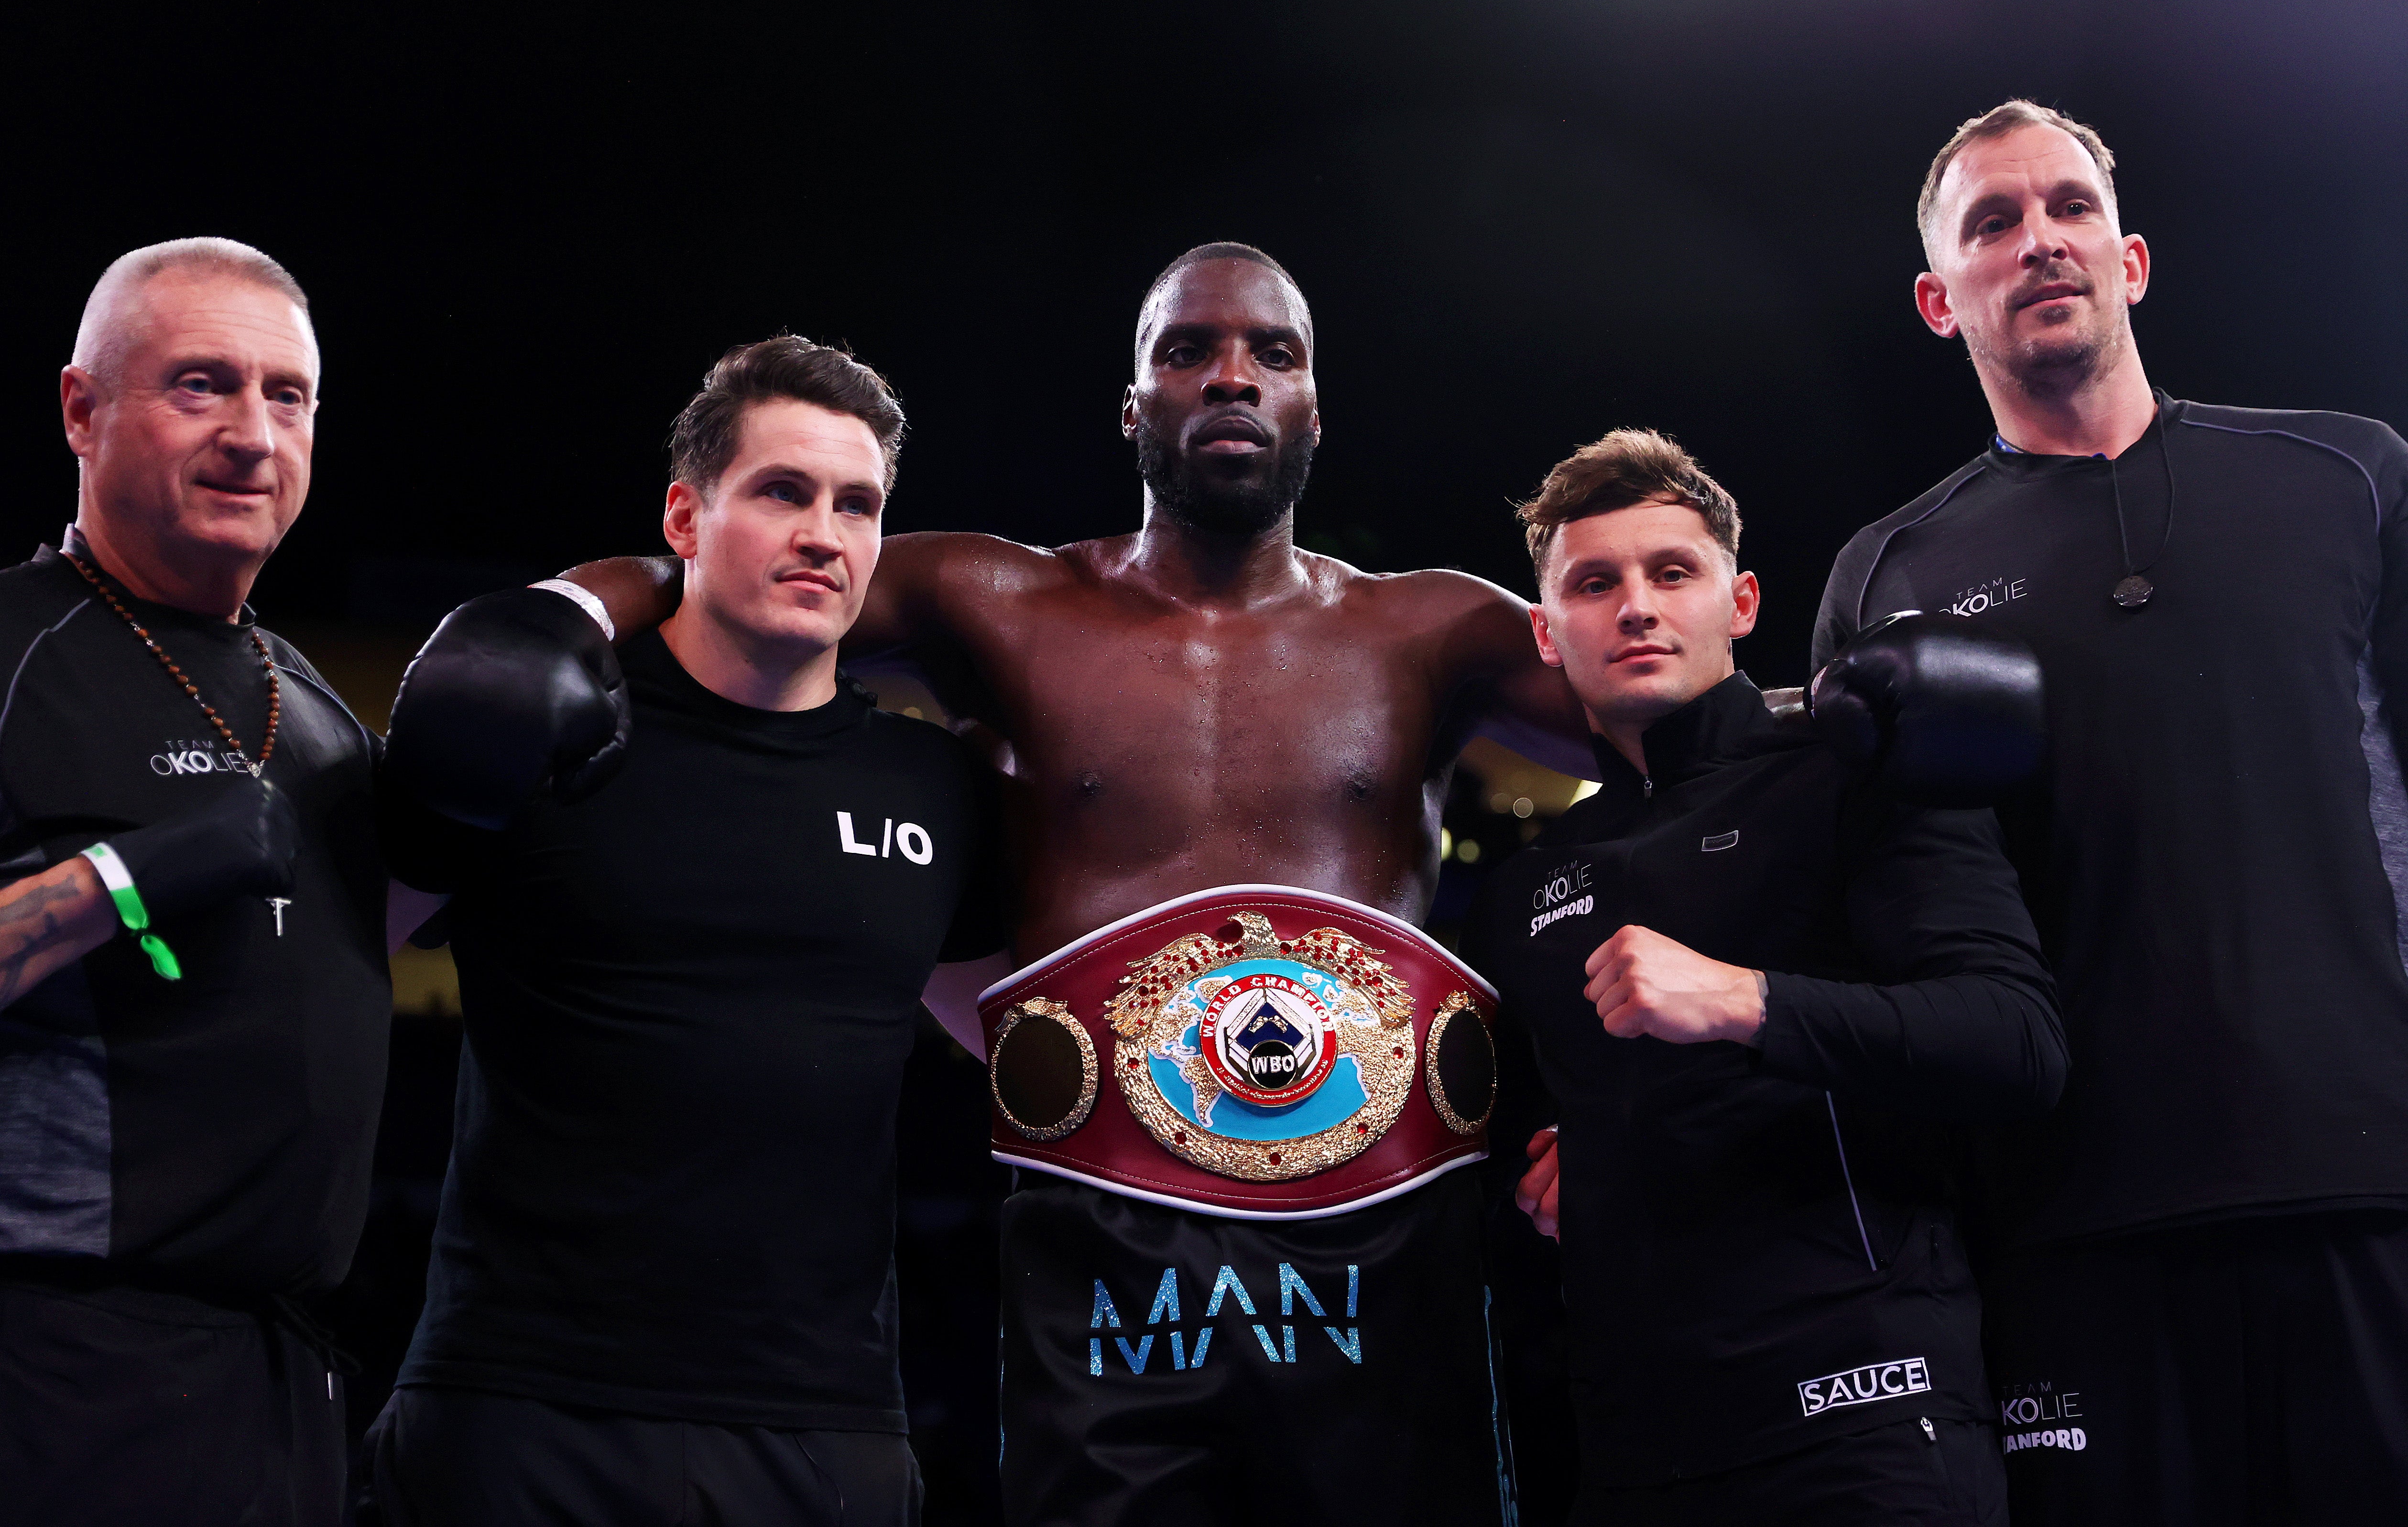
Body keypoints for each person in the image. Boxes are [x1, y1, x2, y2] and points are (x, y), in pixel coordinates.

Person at [408, 243, 1603, 1527]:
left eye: (1272, 353)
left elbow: (1680, 727)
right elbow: (744, 564)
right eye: (1185, 350)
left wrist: (1844, 685)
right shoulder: (1003, 599)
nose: (1230, 379)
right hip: (1101, 1226)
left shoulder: (1434, 626)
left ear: (1314, 404)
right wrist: (556, 616)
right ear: (1132, 405)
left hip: (1374, 1225)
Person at [1809, 99, 2408, 1522]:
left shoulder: (2346, 480)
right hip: (2067, 1223)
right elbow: (1867, 917)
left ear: (2129, 259)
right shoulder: (1885, 576)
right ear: (1934, 299)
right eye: (1992, 224)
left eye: (2068, 209)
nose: (2039, 244)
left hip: (2364, 1182)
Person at [366, 336, 1009, 1526]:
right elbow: (333, 966)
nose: (824, 531)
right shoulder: (543, 735)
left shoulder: (931, 786)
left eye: (856, 504)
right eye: (782, 490)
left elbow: (1029, 1060)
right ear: (685, 514)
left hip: (821, 1425)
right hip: (520, 1404)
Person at [1465, 428, 2062, 1526]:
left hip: (1865, 1413)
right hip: (1635, 1445)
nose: (1635, 606)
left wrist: (1746, 999)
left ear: (1739, 601)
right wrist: (1536, 1177)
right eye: (1595, 584)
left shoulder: (1854, 779)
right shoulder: (1526, 888)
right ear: (1548, 633)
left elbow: (2012, 1040)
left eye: (1670, 572)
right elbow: (1525, 1137)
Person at [0, 239, 425, 1526]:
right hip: (53, 1364)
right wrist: (121, 878)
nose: (253, 434)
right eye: (201, 385)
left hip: (284, 1377)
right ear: (82, 408)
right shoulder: (13, 654)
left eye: (284, 396)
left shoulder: (320, 717)